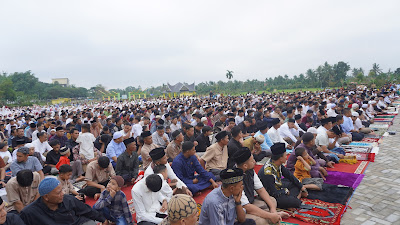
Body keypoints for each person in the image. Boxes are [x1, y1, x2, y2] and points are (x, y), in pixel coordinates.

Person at [233, 148, 287, 224]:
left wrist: (273, 210)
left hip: (251, 202)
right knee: (261, 221)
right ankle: (270, 217)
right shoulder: (235, 179)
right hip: (240, 210)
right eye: (252, 161)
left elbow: (261, 189)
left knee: (272, 200)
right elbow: (246, 206)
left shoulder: (250, 170)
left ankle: (272, 215)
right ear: (245, 165)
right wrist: (270, 215)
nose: (255, 162)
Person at [20, 177, 105, 225]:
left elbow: (87, 210)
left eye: (62, 190)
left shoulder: (68, 199)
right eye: (59, 192)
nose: (63, 193)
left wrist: (103, 219)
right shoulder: (29, 212)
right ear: (46, 197)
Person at [258, 143, 305, 209]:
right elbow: (273, 193)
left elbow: (289, 175)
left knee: (295, 185)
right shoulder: (268, 173)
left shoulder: (276, 163)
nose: (286, 157)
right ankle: (292, 201)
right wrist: (285, 191)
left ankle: (291, 201)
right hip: (272, 194)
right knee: (295, 202)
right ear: (280, 158)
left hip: (278, 187)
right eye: (285, 155)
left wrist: (301, 186)